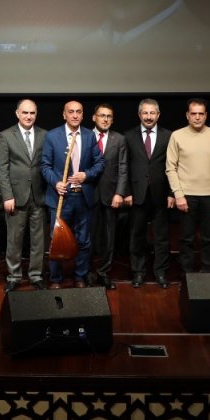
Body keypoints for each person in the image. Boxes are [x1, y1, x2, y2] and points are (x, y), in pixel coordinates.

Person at [41, 101, 105, 288]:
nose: (75, 115)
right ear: (64, 115)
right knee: (57, 240)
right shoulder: (52, 136)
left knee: (84, 241)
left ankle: (80, 277)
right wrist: (56, 182)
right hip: (60, 198)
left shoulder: (89, 136)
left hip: (83, 197)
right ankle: (55, 278)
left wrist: (87, 175)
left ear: (83, 115)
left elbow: (100, 163)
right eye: (71, 112)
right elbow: (45, 165)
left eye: (78, 112)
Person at [167, 99, 210, 274]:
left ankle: (207, 273)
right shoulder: (177, 136)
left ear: (206, 116)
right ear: (187, 115)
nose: (197, 117)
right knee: (186, 238)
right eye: (193, 114)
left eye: (200, 114)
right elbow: (170, 167)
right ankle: (186, 274)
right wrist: (178, 194)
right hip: (186, 196)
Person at [0, 99, 49, 291]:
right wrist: (7, 196)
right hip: (15, 196)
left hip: (39, 194)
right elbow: (2, 168)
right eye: (25, 112)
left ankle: (36, 275)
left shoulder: (45, 134)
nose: (28, 116)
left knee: (38, 240)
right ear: (17, 113)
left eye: (32, 113)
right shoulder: (6, 135)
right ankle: (14, 276)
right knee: (14, 239)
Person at [124, 98, 174, 288]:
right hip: (137, 194)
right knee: (137, 236)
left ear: (158, 115)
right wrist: (127, 192)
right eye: (145, 113)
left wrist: (172, 193)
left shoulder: (169, 136)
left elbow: (174, 166)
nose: (148, 116)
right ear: (139, 115)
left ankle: (160, 272)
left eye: (152, 113)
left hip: (161, 194)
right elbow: (124, 167)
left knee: (161, 237)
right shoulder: (128, 136)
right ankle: (138, 272)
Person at [89, 104, 128, 289]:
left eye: (109, 116)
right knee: (87, 236)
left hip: (111, 194)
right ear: (94, 117)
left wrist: (120, 193)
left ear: (112, 120)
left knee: (109, 237)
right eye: (102, 115)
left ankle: (103, 272)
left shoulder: (119, 139)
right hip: (88, 194)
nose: (105, 119)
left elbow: (123, 168)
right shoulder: (85, 136)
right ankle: (87, 272)